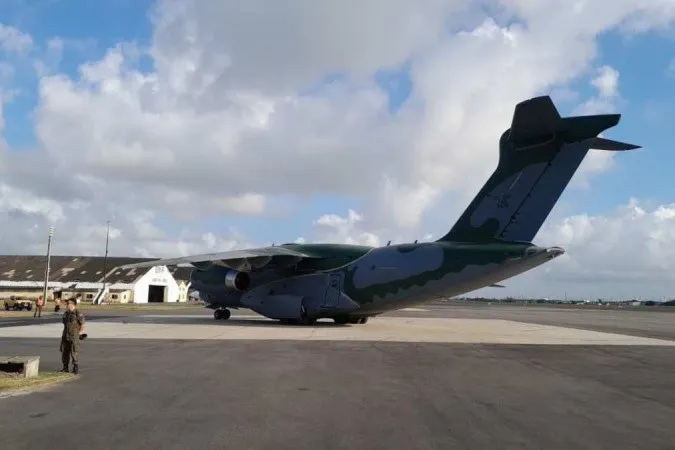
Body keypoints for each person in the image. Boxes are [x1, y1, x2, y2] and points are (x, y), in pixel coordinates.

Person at [60, 299, 86, 374]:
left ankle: (75, 368)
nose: (67, 304)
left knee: (74, 352)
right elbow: (65, 325)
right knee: (65, 352)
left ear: (73, 304)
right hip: (65, 335)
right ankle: (65, 368)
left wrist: (77, 334)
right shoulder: (66, 313)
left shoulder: (78, 313)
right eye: (67, 303)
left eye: (68, 303)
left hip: (74, 336)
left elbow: (82, 325)